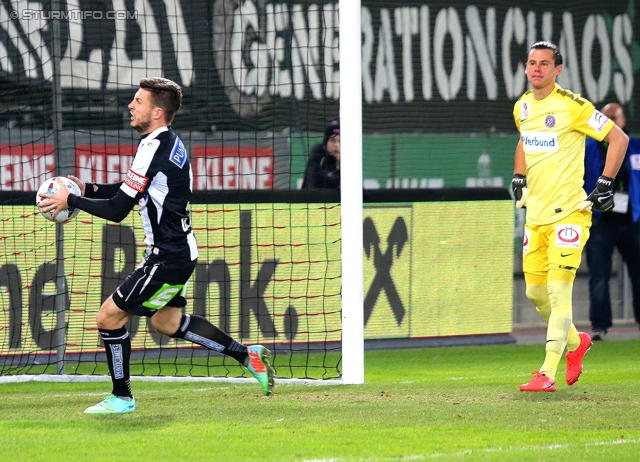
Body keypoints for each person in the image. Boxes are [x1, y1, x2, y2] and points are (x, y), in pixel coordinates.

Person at [40, 77, 274, 414]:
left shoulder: (152, 148)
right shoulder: (167, 143)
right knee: (167, 323)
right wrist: (88, 189)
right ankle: (246, 355)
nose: (131, 105)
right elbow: (130, 189)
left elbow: (119, 209)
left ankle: (122, 398)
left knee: (108, 318)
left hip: (166, 257)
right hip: (181, 252)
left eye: (138, 101)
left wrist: (70, 199)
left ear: (158, 111)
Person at [511, 41, 628, 392]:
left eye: (544, 64)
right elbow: (524, 140)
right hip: (536, 216)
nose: (536, 69)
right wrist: (519, 176)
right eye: (532, 63)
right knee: (535, 293)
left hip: (570, 214)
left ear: (557, 69)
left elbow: (618, 138)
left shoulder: (573, 106)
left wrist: (605, 182)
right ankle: (577, 343)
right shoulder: (522, 107)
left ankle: (546, 372)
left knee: (559, 292)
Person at [584, 103, 640, 340]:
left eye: (614, 118)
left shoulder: (636, 148)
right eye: (605, 118)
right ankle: (599, 326)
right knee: (598, 275)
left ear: (623, 121)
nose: (610, 123)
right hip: (600, 222)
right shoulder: (588, 149)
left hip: (633, 221)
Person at [301, 120, 340, 189]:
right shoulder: (319, 158)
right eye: (332, 140)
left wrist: (339, 164)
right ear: (326, 142)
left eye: (340, 141)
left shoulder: (350, 163)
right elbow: (308, 186)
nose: (337, 145)